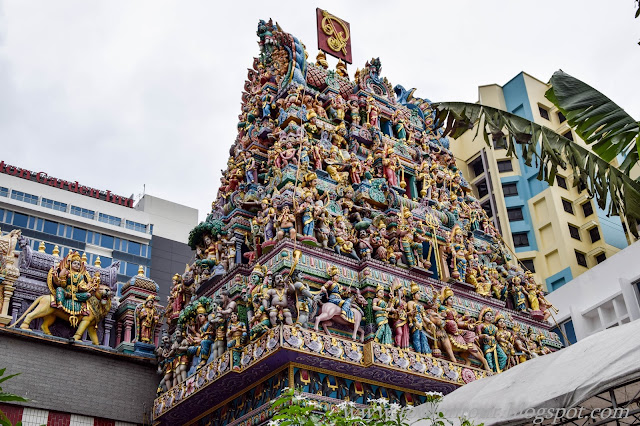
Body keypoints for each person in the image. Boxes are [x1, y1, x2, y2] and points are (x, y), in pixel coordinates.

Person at [51, 251, 94, 318]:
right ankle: (60, 303)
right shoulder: (67, 272)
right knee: (59, 289)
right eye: (74, 263)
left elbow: (82, 286)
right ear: (71, 264)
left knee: (88, 295)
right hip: (66, 292)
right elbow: (61, 277)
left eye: (78, 264)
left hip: (75, 294)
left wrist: (89, 286)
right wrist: (67, 265)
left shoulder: (80, 276)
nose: (77, 265)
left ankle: (72, 297)